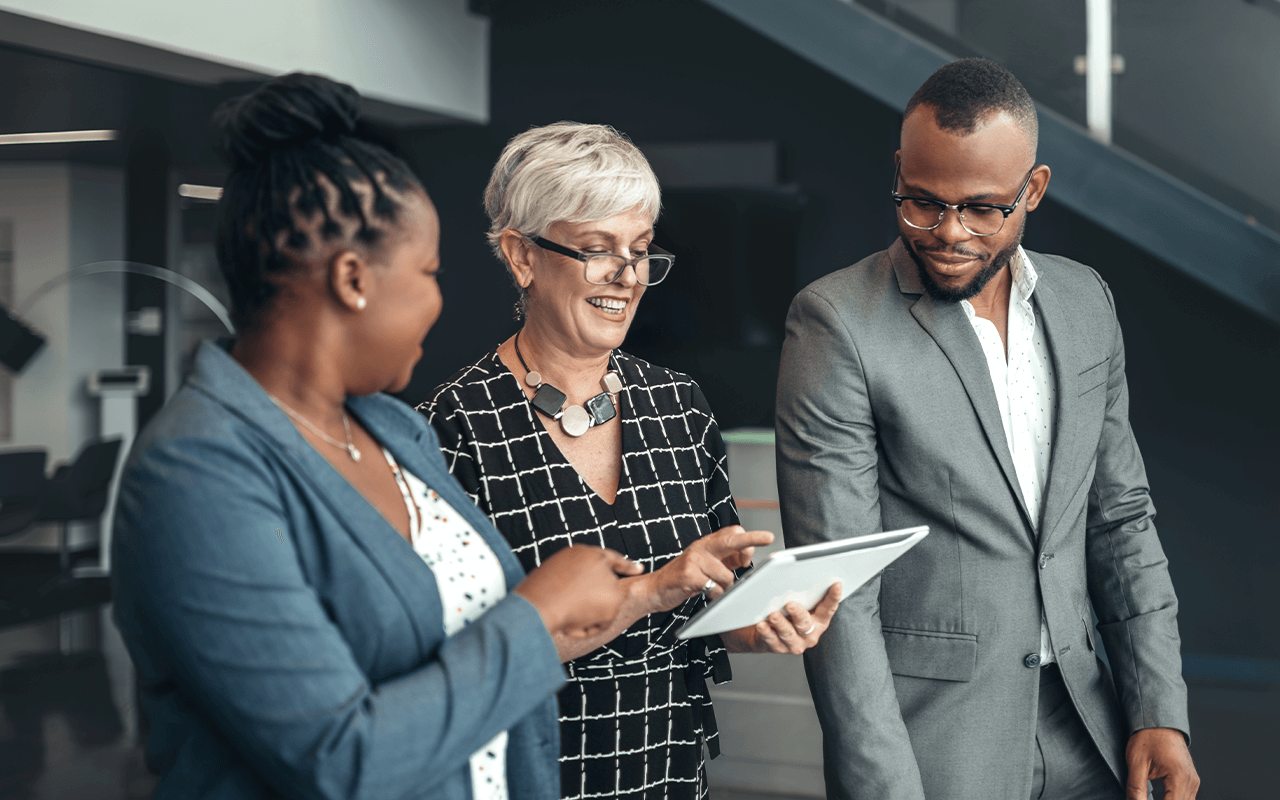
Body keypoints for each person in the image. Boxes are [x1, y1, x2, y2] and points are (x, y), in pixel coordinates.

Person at [111, 74, 640, 800]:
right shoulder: (195, 474)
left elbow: (472, 655)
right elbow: (340, 760)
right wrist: (538, 610)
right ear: (353, 278)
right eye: (428, 272)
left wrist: (627, 599)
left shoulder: (394, 430)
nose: (438, 299)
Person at [775, 59, 1200, 800]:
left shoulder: (1085, 301)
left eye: (981, 209)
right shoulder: (836, 322)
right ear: (900, 170)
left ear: (1031, 190)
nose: (947, 233)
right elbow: (840, 592)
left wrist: (1159, 710)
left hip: (1092, 729)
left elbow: (1120, 520)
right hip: (936, 747)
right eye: (921, 203)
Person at [420, 122, 843, 800]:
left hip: (668, 772)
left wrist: (755, 622)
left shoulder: (679, 405)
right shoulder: (453, 425)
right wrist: (647, 593)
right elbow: (452, 658)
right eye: (596, 250)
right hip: (526, 776)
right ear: (521, 256)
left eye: (641, 251)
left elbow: (702, 611)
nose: (627, 275)